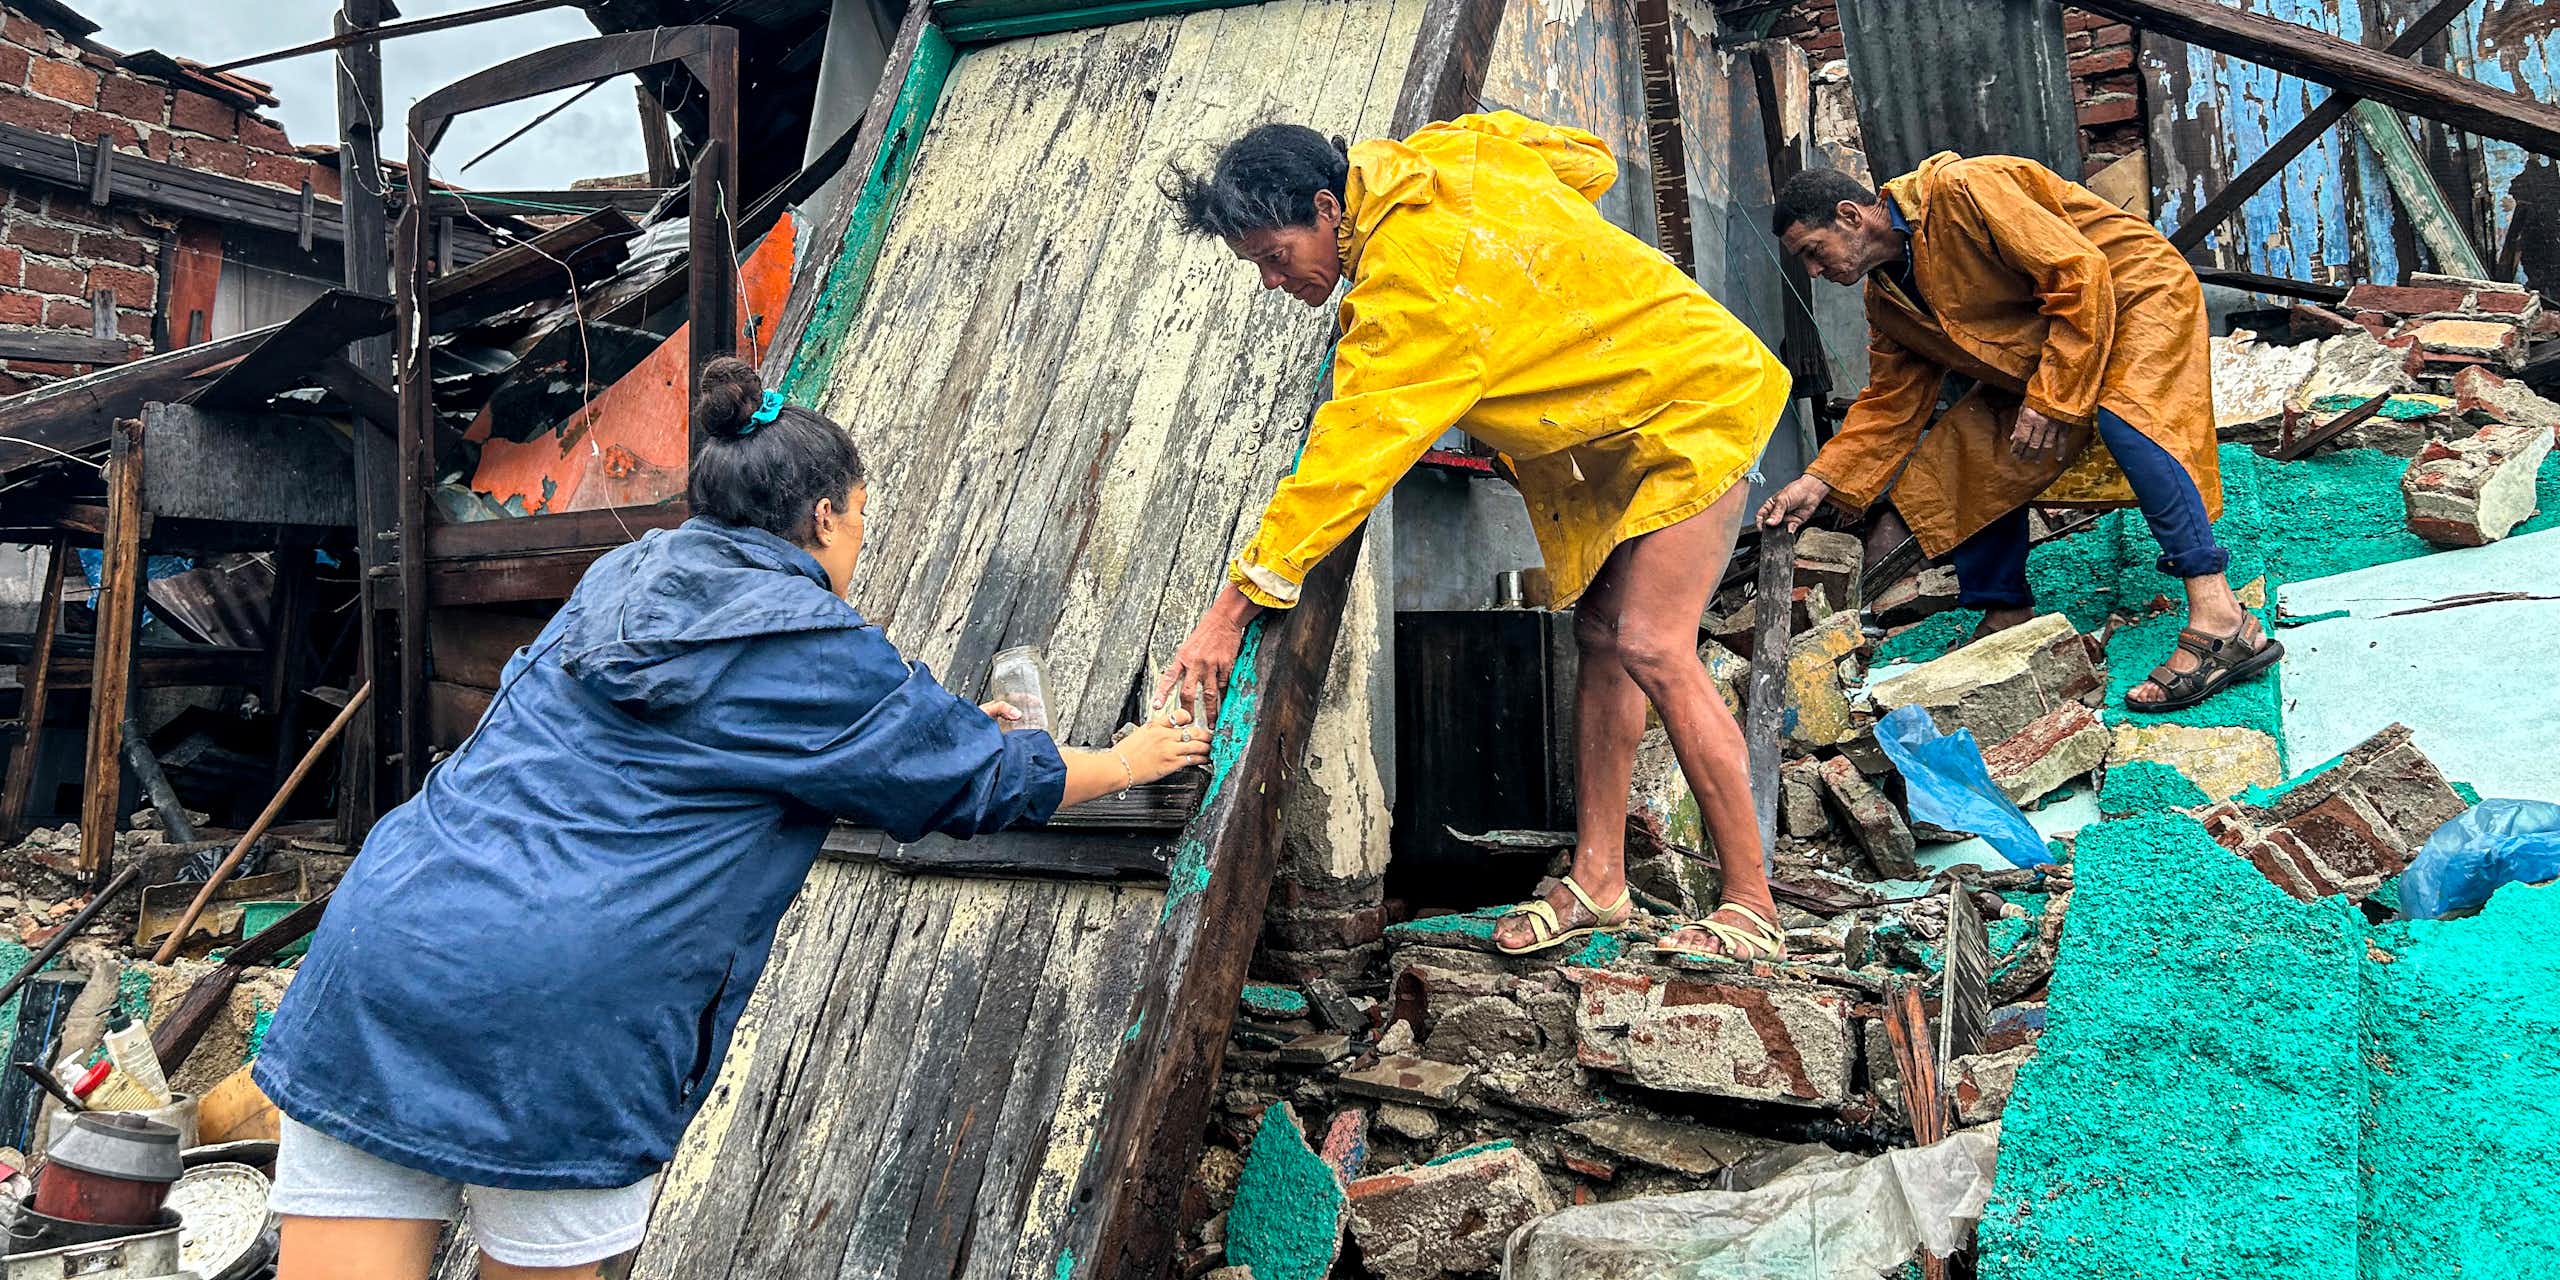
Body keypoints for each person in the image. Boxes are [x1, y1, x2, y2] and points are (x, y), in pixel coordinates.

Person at [253, 358, 1209, 1280]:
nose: (860, 542)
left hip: (386, 947)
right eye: (862, 519)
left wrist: (931, 728)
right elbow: (972, 779)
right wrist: (1129, 760)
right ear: (824, 515)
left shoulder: (618, 579)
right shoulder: (813, 642)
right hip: (560, 1015)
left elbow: (766, 731)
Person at [1157, 113, 1798, 962]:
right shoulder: (1451, 152)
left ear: (1326, 206)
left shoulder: (1408, 295)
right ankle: (1600, 881)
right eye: (1260, 267)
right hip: (1646, 407)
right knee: (1600, 635)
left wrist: (1230, 610)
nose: (1275, 281)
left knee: (1650, 641)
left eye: (1278, 256)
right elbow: (1589, 162)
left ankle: (1753, 904)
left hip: (1700, 405)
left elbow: (1342, 466)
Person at [1761, 157, 2278, 709]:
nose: (1814, 272)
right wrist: (1817, 482)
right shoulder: (1888, 302)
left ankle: (2221, 619)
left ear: (1850, 215)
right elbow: (1890, 406)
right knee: (1972, 452)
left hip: (2135, 292)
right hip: (2053, 337)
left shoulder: (1963, 191)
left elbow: (2077, 272)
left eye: (1814, 252)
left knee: (2132, 421)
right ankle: (2006, 611)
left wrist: (2054, 394)